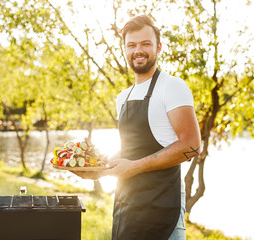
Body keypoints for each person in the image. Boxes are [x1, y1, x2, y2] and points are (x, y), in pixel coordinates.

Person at [73, 15, 200, 240]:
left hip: (163, 210)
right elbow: (129, 150)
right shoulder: (123, 97)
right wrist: (97, 171)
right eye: (131, 45)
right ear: (125, 49)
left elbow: (191, 145)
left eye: (145, 44)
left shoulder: (172, 87)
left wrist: (134, 168)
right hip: (127, 208)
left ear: (158, 47)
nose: (138, 50)